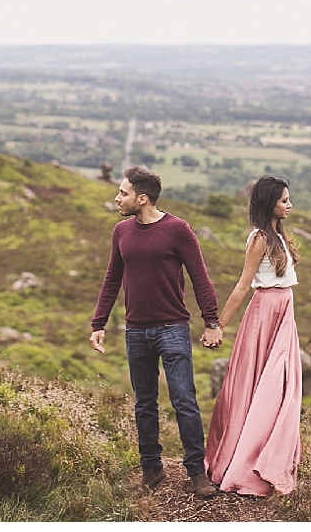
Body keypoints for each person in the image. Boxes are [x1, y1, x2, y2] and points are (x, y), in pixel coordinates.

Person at [90, 166, 223, 499]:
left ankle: (197, 473)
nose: (117, 198)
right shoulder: (121, 232)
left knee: (184, 401)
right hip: (135, 332)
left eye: (123, 193)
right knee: (144, 404)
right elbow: (111, 280)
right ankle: (152, 470)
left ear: (142, 198)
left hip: (172, 328)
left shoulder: (178, 229)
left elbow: (200, 277)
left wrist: (212, 321)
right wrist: (98, 324)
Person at [204, 175, 302, 497]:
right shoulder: (260, 238)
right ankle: (245, 461)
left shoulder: (278, 235)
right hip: (264, 316)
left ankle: (268, 457)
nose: (289, 205)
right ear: (269, 203)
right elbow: (243, 285)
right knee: (262, 387)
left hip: (282, 315)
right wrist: (219, 324)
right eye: (284, 200)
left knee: (281, 387)